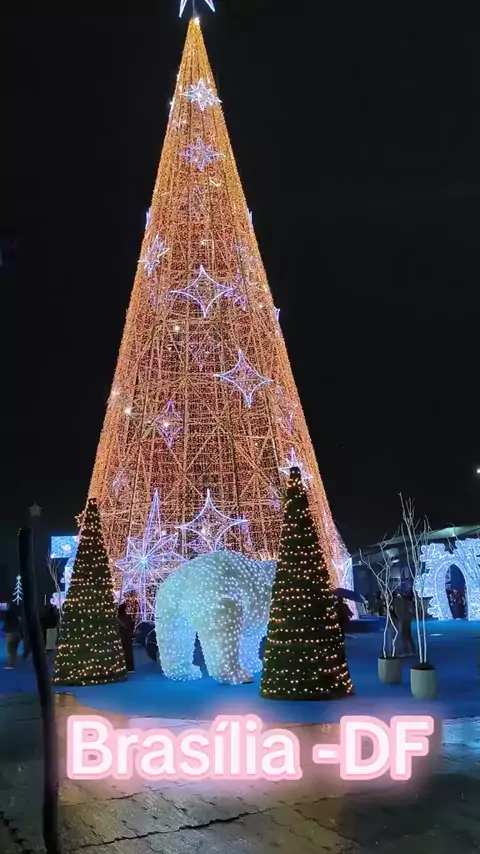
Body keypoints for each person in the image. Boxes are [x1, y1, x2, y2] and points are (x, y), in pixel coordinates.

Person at [394, 592, 416, 656]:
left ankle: (407, 650)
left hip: (404, 619)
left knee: (405, 635)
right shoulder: (405, 602)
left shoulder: (399, 602)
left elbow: (399, 612)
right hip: (406, 619)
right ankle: (411, 649)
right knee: (407, 635)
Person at [117, 603, 135, 673]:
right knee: (128, 652)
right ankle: (130, 668)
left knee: (120, 652)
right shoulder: (128, 618)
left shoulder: (118, 618)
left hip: (120, 636)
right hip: (127, 636)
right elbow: (130, 627)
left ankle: (121, 667)